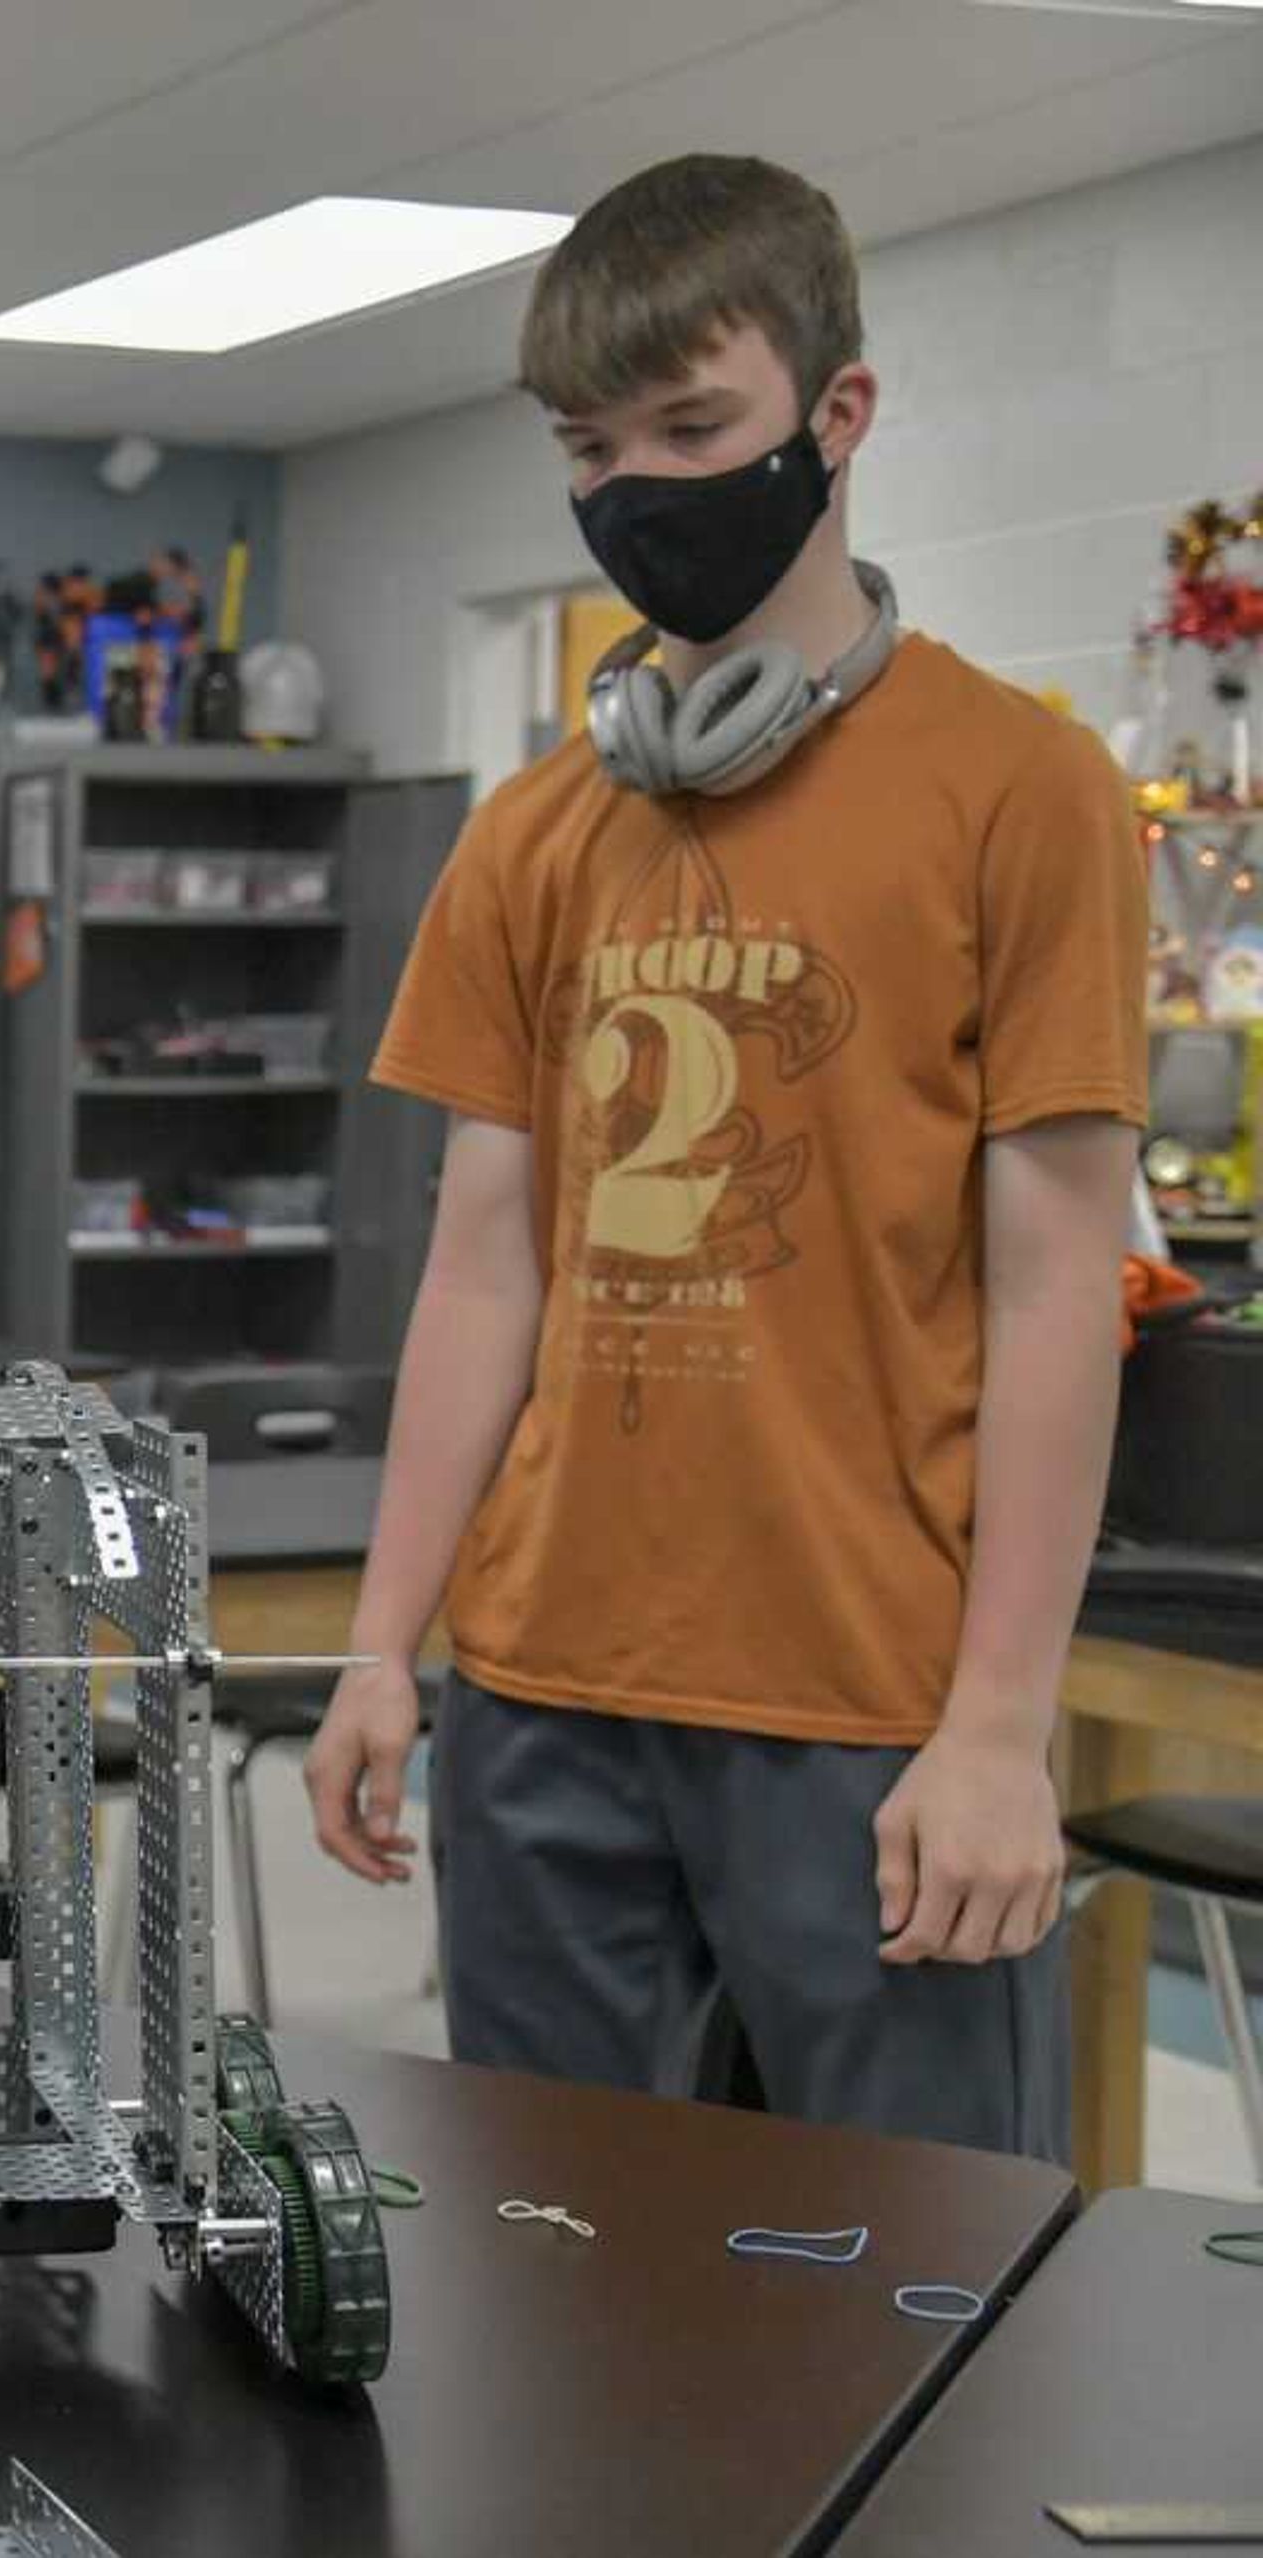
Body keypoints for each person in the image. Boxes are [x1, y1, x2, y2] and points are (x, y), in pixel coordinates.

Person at [302, 154, 1146, 2162]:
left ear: (837, 417)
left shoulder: (1021, 790)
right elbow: (483, 1269)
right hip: (542, 1692)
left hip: (871, 1706)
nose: (643, 488)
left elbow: (1057, 1292)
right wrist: (382, 1644)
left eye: (698, 429)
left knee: (914, 2305)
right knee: (555, 2286)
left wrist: (1005, 1725)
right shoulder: (531, 837)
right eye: (597, 449)